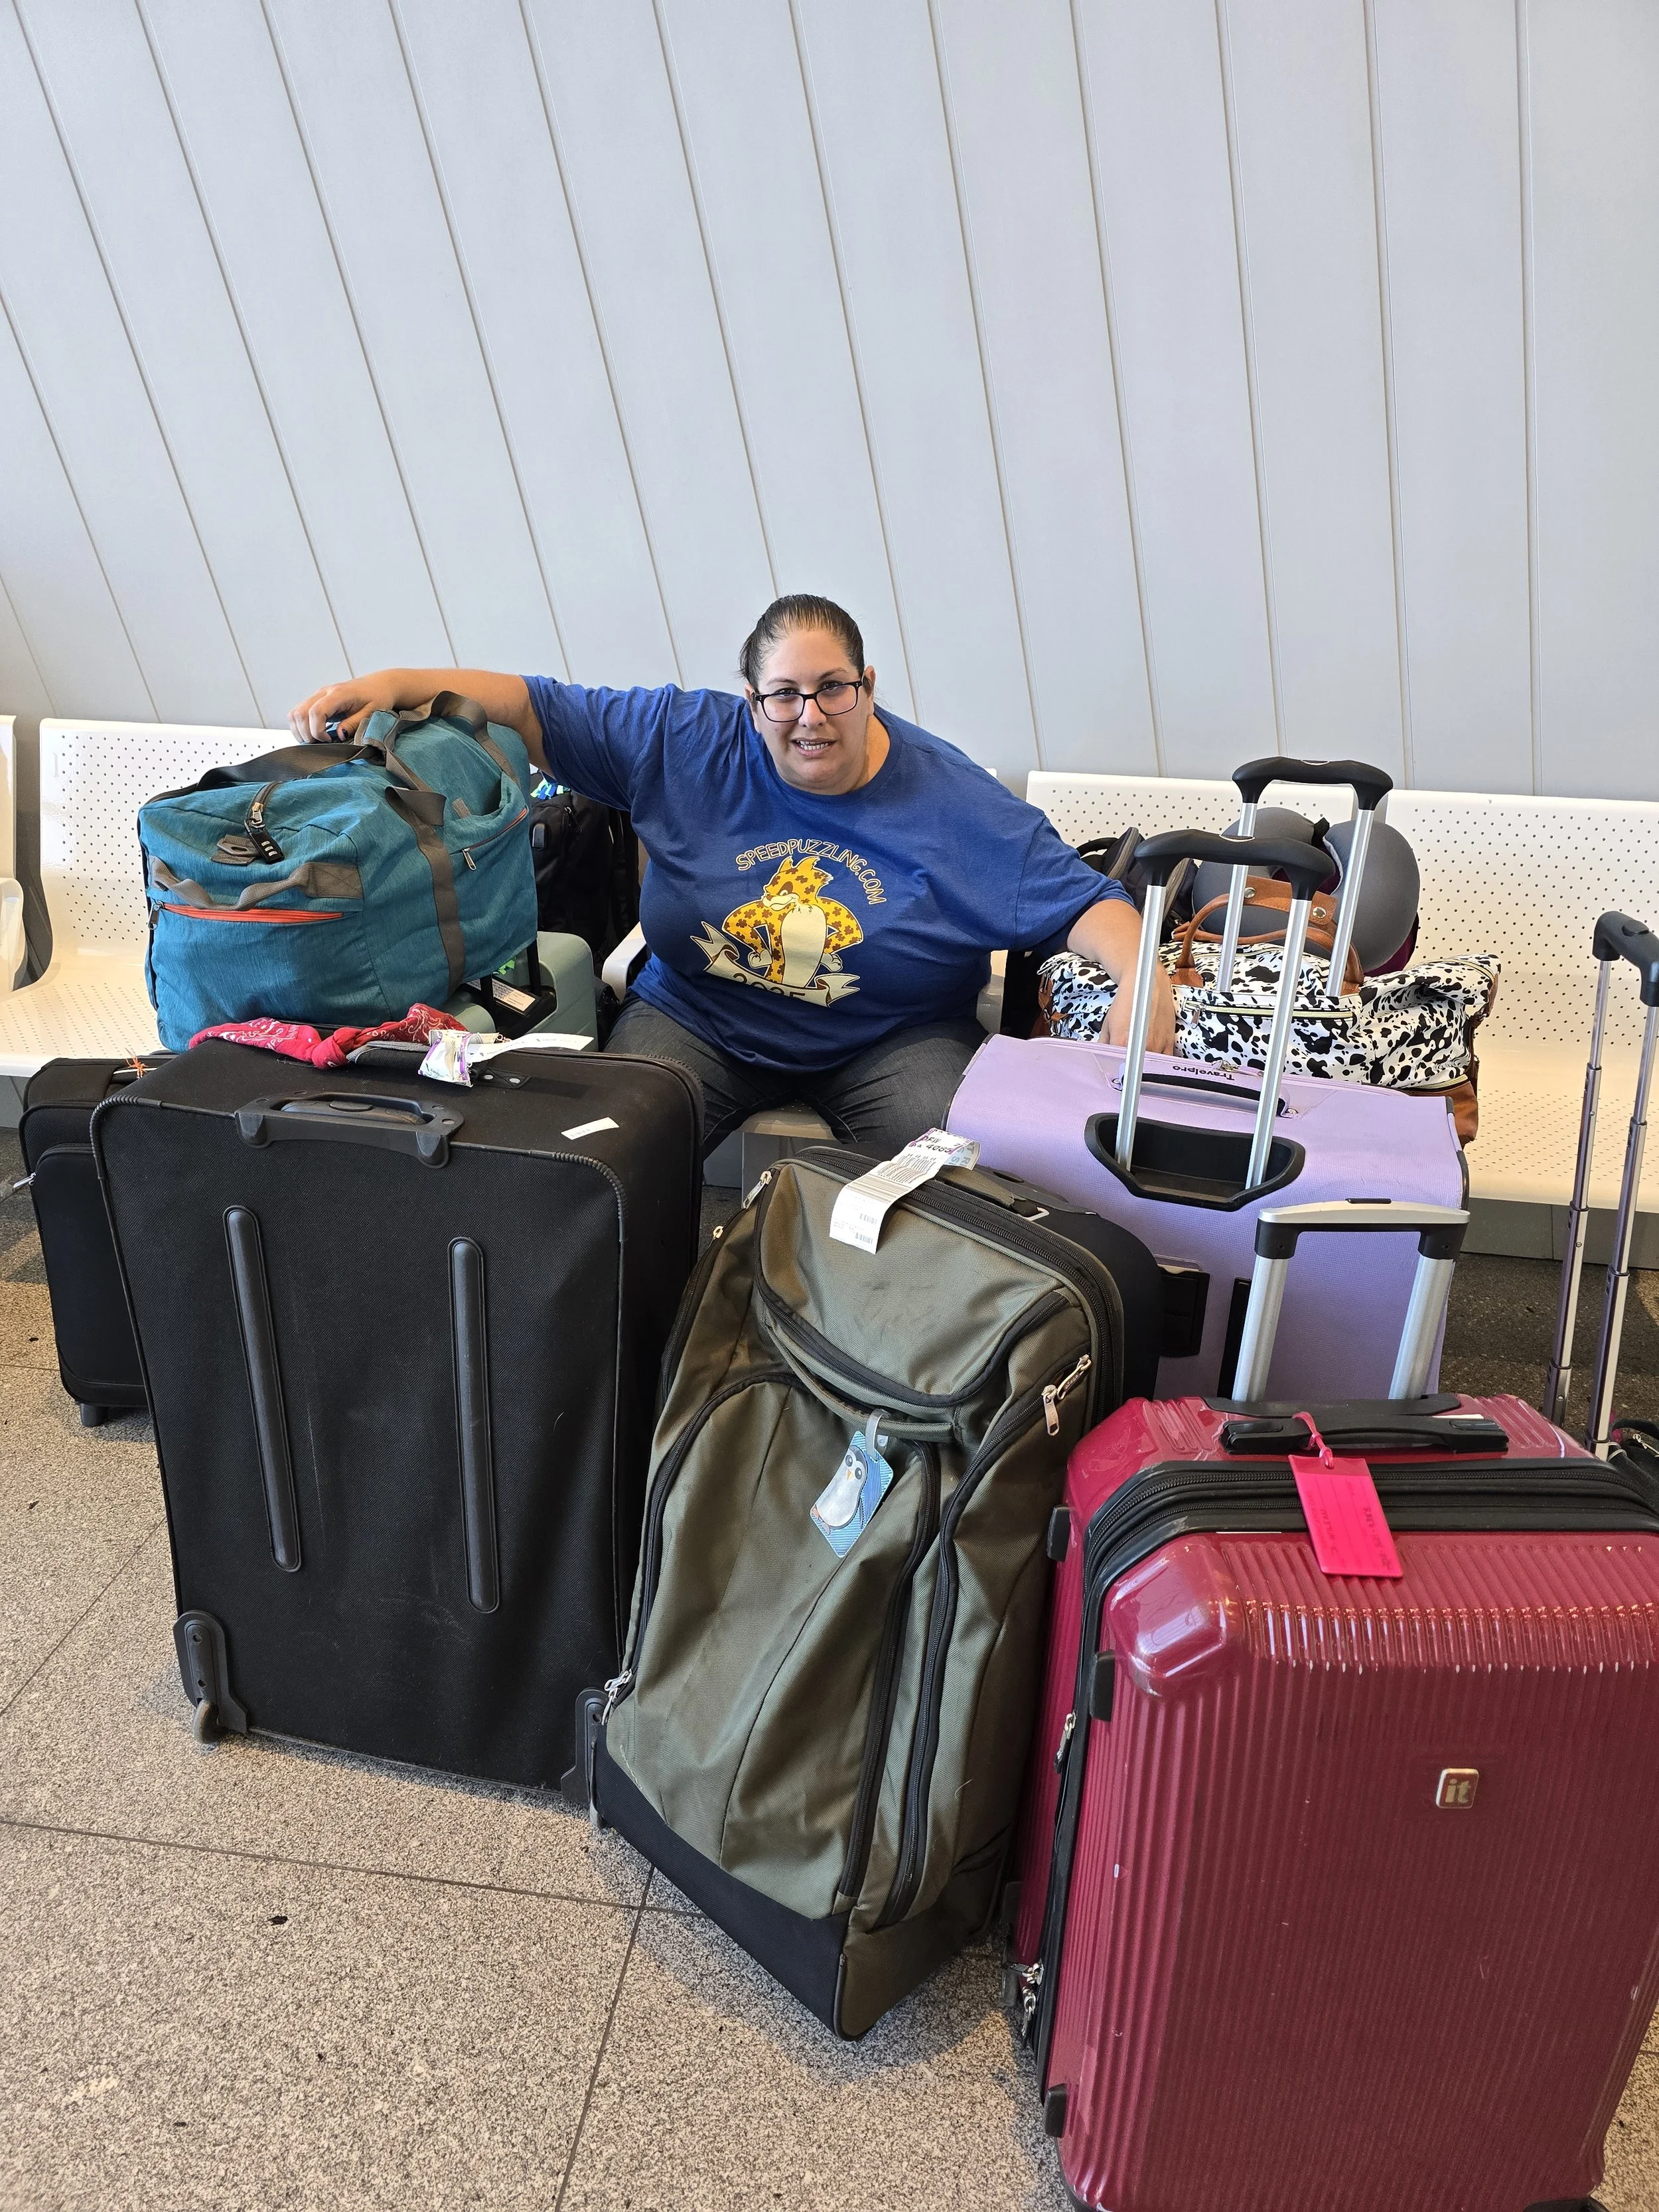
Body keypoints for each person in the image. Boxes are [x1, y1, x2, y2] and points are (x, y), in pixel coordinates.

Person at [289, 594, 1177, 1157]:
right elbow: (532, 702)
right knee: (596, 1154)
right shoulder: (684, 738)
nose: (810, 717)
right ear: (750, 702)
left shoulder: (951, 799)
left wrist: (1146, 973)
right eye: (783, 695)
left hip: (892, 1041)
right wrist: (396, 683)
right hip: (699, 1021)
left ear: (868, 685)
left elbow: (1083, 899)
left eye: (833, 689)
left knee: (950, 1176)